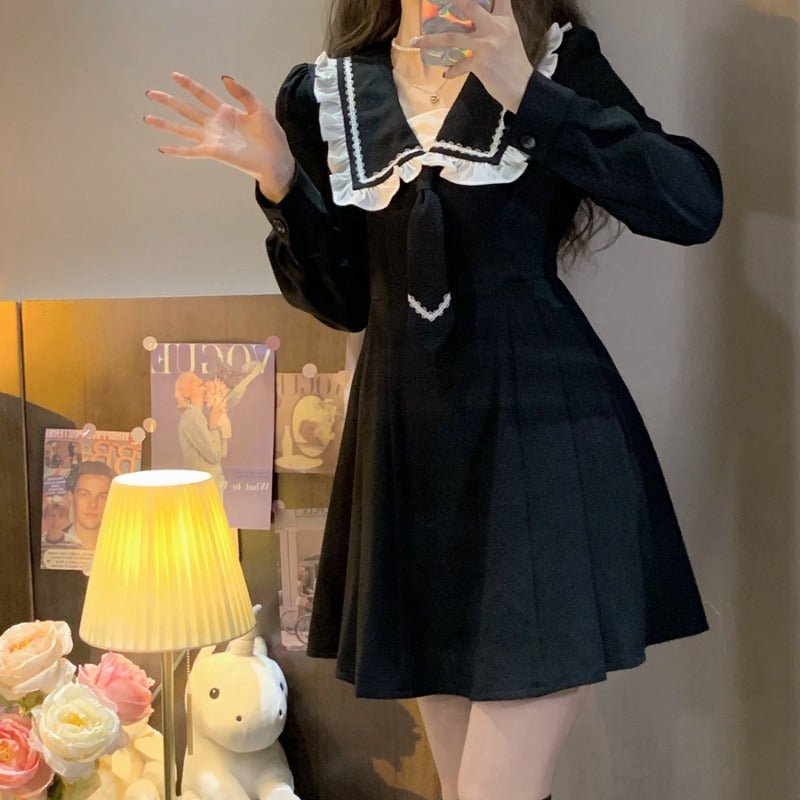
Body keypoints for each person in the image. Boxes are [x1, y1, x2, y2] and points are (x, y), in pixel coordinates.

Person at [143, 0, 723, 796]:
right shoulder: (329, 93)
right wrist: (279, 179)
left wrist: (529, 94)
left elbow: (692, 204)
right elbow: (348, 300)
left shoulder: (552, 60)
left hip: (542, 447)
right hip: (409, 461)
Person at [174, 371, 226, 496]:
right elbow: (214, 455)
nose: (199, 380)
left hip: (206, 489)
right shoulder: (193, 416)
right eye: (192, 381)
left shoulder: (196, 416)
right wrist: (213, 424)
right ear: (185, 393)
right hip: (204, 492)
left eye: (198, 378)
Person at [61, 461, 116, 550]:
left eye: (102, 497)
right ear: (71, 497)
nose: (93, 505)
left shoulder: (124, 545)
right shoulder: (51, 544)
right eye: (84, 494)